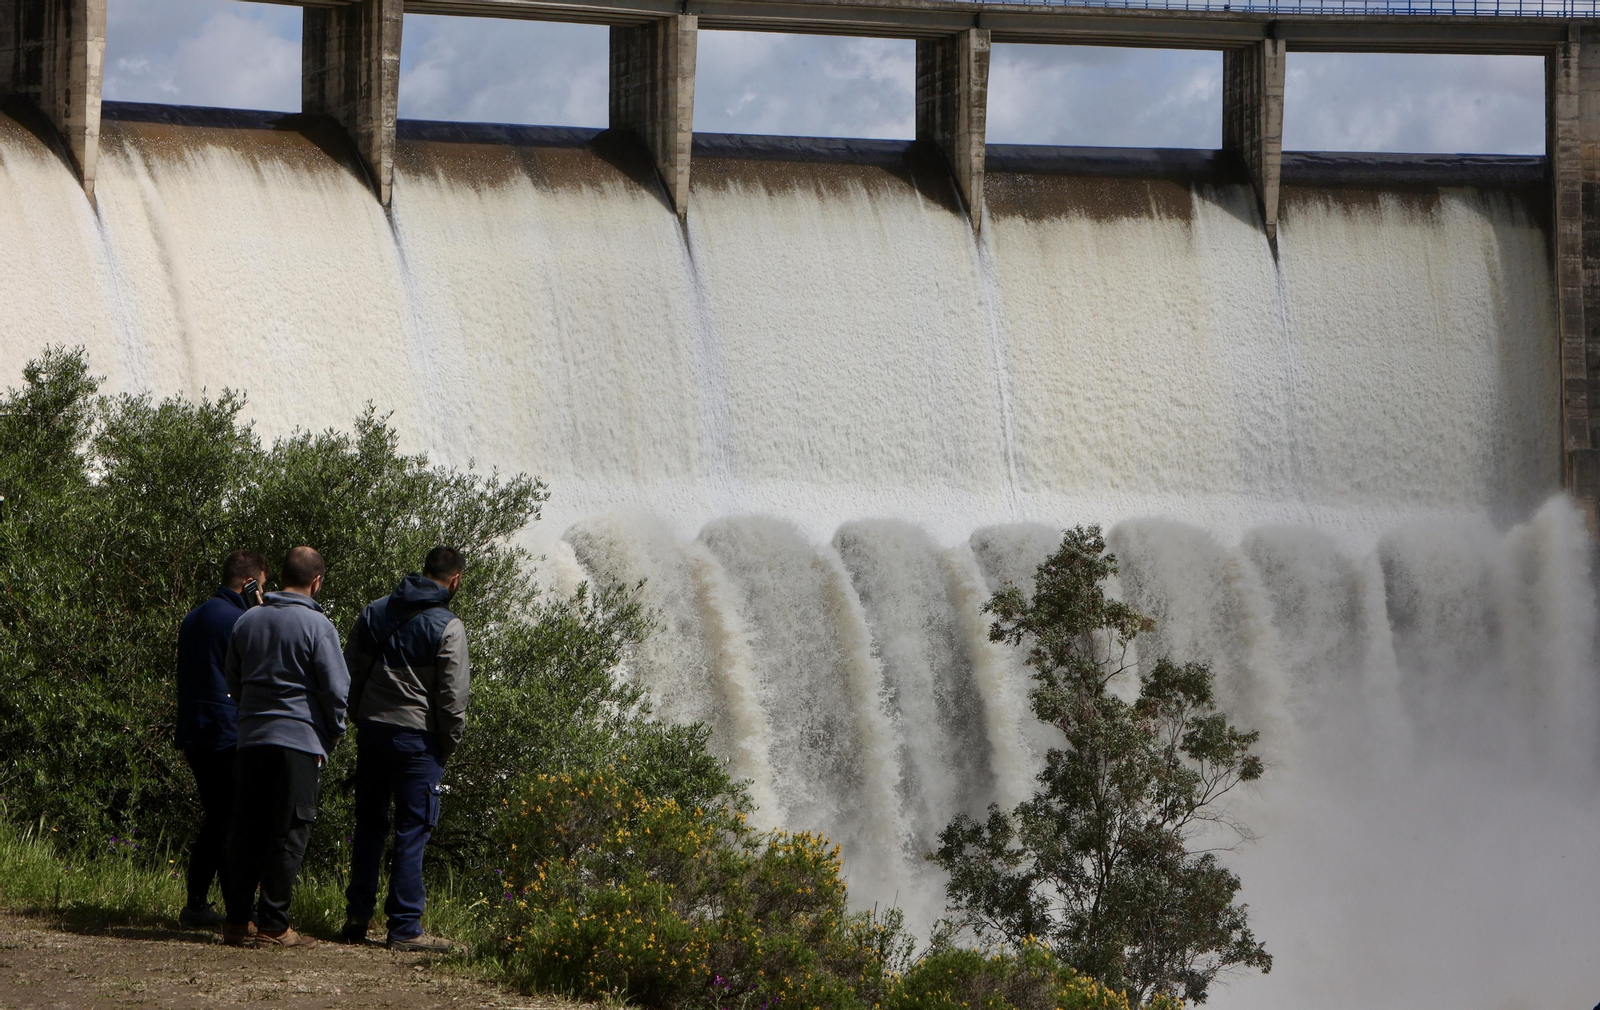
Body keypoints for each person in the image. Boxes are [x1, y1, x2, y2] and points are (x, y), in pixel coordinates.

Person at [339, 547, 470, 952]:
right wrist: (445, 746)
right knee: (413, 828)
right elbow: (452, 700)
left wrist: (360, 717)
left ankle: (357, 916)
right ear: (455, 580)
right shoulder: (449, 627)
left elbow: (349, 671)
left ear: (423, 569)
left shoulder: (373, 612)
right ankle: (405, 927)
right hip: (418, 742)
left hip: (373, 733)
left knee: (369, 824)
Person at [222, 546, 349, 949]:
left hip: (251, 739)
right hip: (299, 741)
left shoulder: (247, 620)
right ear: (317, 582)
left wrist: (250, 714)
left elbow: (233, 679)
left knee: (247, 829)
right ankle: (274, 925)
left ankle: (237, 921)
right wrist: (332, 733)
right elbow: (336, 689)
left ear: (280, 576)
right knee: (288, 832)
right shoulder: (319, 626)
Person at [173, 549, 268, 929]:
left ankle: (196, 903)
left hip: (194, 730)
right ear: (249, 582)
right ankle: (239, 912)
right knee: (233, 822)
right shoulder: (240, 620)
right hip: (225, 731)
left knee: (216, 819)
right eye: (262, 585)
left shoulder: (194, 617)